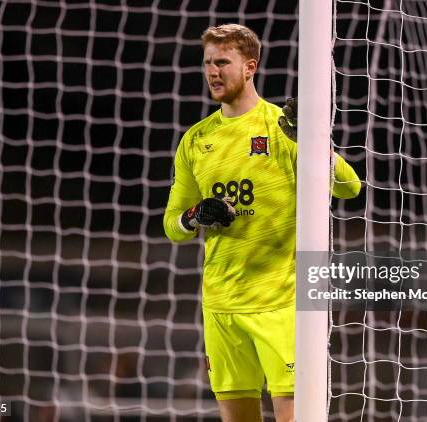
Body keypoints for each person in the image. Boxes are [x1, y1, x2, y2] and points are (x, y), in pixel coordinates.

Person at [163, 23, 361, 422]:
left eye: (223, 62)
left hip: (282, 304)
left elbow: (350, 188)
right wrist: (195, 215)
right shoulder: (196, 140)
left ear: (250, 66)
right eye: (207, 63)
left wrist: (314, 143)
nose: (213, 72)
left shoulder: (282, 126)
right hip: (221, 306)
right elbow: (172, 225)